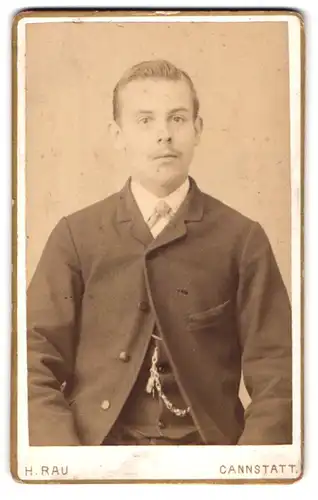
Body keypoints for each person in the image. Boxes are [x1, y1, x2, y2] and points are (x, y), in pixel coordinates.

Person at [27, 59, 292, 446]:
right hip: (96, 456)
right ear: (118, 135)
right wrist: (67, 463)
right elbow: (32, 361)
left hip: (210, 459)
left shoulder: (242, 238)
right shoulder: (76, 235)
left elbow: (277, 370)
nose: (164, 135)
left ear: (198, 130)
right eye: (145, 121)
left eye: (178, 119)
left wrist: (247, 470)